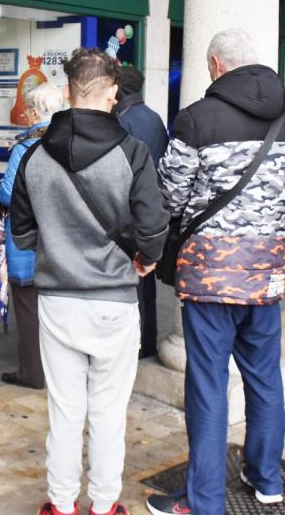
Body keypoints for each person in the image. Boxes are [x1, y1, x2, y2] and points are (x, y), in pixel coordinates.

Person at [146, 29, 285, 515]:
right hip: (266, 274)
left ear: (217, 66)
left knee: (208, 383)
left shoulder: (196, 120)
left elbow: (169, 196)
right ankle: (266, 478)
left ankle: (203, 502)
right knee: (264, 378)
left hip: (209, 277)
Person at [11, 48, 169, 515]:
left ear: (67, 92)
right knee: (107, 411)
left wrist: (56, 242)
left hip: (57, 299)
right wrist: (147, 260)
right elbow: (153, 225)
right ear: (112, 93)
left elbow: (21, 234)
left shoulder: (35, 156)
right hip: (114, 301)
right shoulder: (132, 152)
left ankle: (60, 504)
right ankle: (104, 505)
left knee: (64, 411)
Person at [0, 83, 64, 390]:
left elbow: (8, 193)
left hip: (29, 238)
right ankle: (59, 370)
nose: (25, 113)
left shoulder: (26, 146)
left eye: (27, 108)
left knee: (28, 307)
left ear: (36, 111)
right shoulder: (71, 140)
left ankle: (32, 373)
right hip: (63, 240)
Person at [113, 66, 168, 359]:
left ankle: (131, 345)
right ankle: (147, 342)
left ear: (118, 88)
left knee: (129, 283)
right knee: (146, 284)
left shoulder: (121, 120)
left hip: (129, 211)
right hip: (151, 208)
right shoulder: (154, 118)